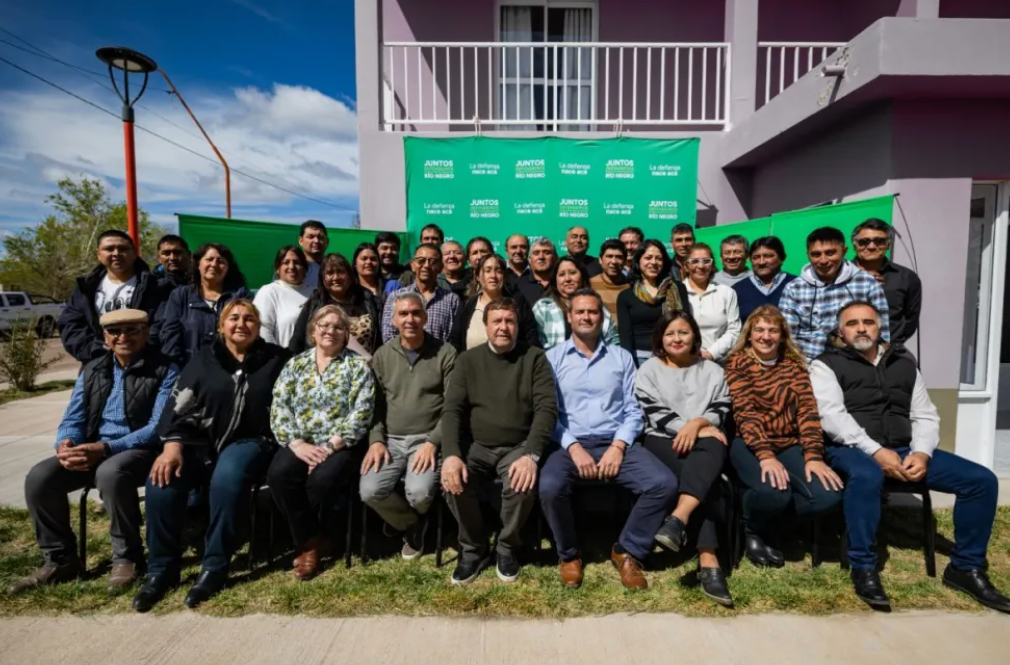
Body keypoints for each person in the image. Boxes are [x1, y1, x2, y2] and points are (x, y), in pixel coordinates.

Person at [811, 301, 1010, 613]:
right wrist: (875, 452)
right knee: (867, 475)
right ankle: (863, 566)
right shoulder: (826, 364)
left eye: (868, 322)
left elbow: (925, 415)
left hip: (905, 448)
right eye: (852, 323)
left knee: (981, 480)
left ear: (879, 328)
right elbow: (833, 418)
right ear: (840, 330)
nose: (861, 328)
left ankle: (965, 568)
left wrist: (922, 452)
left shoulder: (903, 362)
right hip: (850, 449)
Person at [133, 300, 290, 612]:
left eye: (249, 319)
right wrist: (173, 446)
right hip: (197, 442)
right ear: (221, 326)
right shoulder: (204, 360)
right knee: (162, 482)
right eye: (234, 318)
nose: (241, 324)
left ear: (259, 327)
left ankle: (214, 566)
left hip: (253, 440)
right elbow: (178, 406)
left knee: (227, 478)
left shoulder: (277, 360)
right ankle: (161, 570)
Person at [9, 310, 178, 595]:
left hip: (140, 450)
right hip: (93, 449)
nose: (123, 337)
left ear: (145, 332)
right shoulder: (92, 369)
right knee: (40, 477)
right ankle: (60, 559)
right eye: (115, 332)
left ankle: (127, 558)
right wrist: (66, 445)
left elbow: (156, 428)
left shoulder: (166, 369)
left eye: (132, 330)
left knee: (111, 472)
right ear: (105, 337)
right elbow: (72, 418)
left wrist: (107, 448)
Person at [540, 289, 677, 591]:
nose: (586, 317)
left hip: (614, 441)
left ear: (602, 318)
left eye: (592, 312)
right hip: (570, 444)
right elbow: (548, 414)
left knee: (662, 483)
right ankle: (569, 555)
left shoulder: (621, 358)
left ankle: (627, 550)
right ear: (569, 316)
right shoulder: (551, 359)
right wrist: (573, 447)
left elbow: (634, 410)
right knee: (549, 487)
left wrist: (618, 446)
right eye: (580, 312)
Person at [441, 298, 557, 585]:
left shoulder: (534, 358)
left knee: (521, 484)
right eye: (497, 321)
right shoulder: (467, 360)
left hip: (518, 445)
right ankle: (473, 548)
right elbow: (452, 410)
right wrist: (452, 455)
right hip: (477, 446)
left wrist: (531, 454)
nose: (503, 327)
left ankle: (507, 547)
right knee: (453, 482)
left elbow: (546, 409)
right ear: (486, 326)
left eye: (510, 321)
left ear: (517, 325)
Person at [725, 306, 843, 569]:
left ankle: (772, 524)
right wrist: (766, 457)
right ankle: (752, 527)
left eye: (772, 330)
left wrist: (813, 457)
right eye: (759, 330)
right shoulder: (738, 364)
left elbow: (808, 413)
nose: (766, 336)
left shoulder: (794, 366)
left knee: (827, 495)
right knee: (774, 492)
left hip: (789, 443)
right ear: (749, 334)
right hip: (749, 443)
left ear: (782, 335)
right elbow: (745, 414)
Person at [635, 310, 734, 606]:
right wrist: (694, 427)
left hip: (703, 441)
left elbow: (721, 406)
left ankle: (678, 520)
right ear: (660, 340)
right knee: (708, 474)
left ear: (694, 336)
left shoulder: (713, 370)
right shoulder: (649, 370)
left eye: (683, 332)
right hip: (662, 440)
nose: (677, 338)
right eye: (670, 334)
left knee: (711, 451)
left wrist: (698, 425)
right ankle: (709, 560)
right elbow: (654, 413)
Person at [268, 305, 375, 580]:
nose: (331, 331)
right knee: (280, 475)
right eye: (324, 326)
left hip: (341, 445)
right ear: (313, 331)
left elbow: (361, 414)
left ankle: (309, 545)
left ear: (346, 334)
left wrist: (329, 448)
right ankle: (313, 541)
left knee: (320, 480)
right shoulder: (296, 365)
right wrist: (296, 444)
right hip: (300, 442)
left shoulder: (357, 367)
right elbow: (280, 406)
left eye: (338, 327)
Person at [361, 292, 456, 559]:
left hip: (426, 439)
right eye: (403, 314)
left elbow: (452, 407)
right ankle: (412, 524)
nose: (410, 319)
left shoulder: (445, 353)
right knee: (370, 492)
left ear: (425, 317)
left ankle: (409, 519)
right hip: (391, 439)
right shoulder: (382, 355)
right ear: (393, 320)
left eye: (416, 313)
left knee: (420, 492)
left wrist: (433, 442)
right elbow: (375, 405)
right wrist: (376, 439)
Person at [779, 227, 890, 362]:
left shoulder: (867, 283)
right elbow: (788, 337)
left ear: (844, 251)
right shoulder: (794, 288)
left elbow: (881, 332)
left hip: (858, 364)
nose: (823, 260)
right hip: (809, 366)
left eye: (830, 253)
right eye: (816, 254)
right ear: (807, 254)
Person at [59, 229, 167, 363]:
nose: (116, 253)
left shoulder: (156, 287)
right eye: (109, 249)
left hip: (147, 364)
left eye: (123, 249)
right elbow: (71, 326)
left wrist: (134, 350)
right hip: (98, 363)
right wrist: (97, 350)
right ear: (98, 254)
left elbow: (163, 325)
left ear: (134, 254)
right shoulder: (85, 289)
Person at [157, 243, 251, 367]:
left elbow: (249, 334)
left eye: (221, 261)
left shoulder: (240, 295)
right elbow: (170, 336)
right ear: (198, 264)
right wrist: (176, 372)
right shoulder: (180, 295)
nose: (214, 264)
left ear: (228, 268)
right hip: (189, 370)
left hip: (230, 371)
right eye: (209, 259)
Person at [290, 253, 382, 358]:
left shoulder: (368, 300)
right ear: (323, 277)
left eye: (340, 272)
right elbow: (297, 342)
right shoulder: (314, 303)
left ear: (349, 274)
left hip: (364, 368)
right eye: (330, 273)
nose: (336, 277)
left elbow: (381, 340)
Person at [617, 240, 690, 366]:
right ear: (638, 261)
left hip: (673, 356)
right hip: (639, 359)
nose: (653, 262)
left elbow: (686, 323)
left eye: (658, 258)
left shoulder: (678, 288)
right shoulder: (626, 296)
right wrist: (629, 366)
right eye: (648, 258)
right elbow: (625, 335)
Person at [852, 218, 922, 345]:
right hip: (844, 354)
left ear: (888, 244)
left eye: (879, 241)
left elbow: (911, 320)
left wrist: (892, 343)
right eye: (864, 242)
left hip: (889, 351)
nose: (871, 246)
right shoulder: (837, 275)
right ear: (854, 245)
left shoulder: (906, 277)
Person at [381, 244, 461, 348]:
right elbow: (389, 336)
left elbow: (454, 341)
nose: (426, 265)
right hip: (402, 361)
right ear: (413, 265)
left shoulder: (452, 300)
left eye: (432, 261)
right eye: (421, 260)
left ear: (440, 267)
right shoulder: (396, 297)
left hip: (439, 361)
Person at [533, 256, 618, 350]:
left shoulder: (598, 307)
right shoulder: (543, 309)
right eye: (561, 274)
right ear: (555, 280)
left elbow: (613, 343)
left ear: (582, 276)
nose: (567, 279)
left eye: (572, 273)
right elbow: (537, 347)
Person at [458, 254, 539, 349]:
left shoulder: (517, 302)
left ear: (504, 276)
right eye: (487, 271)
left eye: (498, 271)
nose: (493, 276)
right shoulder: (468, 305)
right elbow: (457, 340)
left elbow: (531, 337)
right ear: (477, 276)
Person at [682, 243, 740, 363]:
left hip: (719, 361)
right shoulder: (677, 292)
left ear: (713, 265)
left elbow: (734, 330)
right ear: (686, 266)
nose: (701, 266)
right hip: (684, 359)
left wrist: (710, 354)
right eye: (695, 261)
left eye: (706, 261)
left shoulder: (727, 293)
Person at [253, 246, 313, 348]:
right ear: (277, 269)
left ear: (304, 268)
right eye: (286, 262)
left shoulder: (315, 292)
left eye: (297, 262)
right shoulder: (269, 291)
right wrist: (276, 359)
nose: (292, 267)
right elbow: (263, 330)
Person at [733, 236, 797, 323]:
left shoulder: (797, 285)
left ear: (782, 258)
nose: (761, 262)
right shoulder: (737, 290)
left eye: (768, 256)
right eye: (756, 257)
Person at [392, 224, 450, 291]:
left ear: (442, 242)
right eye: (426, 238)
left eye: (434, 239)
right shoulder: (408, 267)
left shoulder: (449, 265)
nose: (430, 242)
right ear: (420, 242)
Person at [589, 238, 630, 322]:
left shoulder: (632, 286)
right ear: (600, 260)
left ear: (625, 261)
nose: (614, 261)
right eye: (609, 256)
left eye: (619, 257)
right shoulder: (589, 285)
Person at [514, 238, 556, 306]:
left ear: (554, 258)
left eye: (547, 253)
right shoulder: (519, 285)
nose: (541, 257)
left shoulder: (561, 282)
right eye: (536, 253)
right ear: (529, 259)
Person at [298, 220, 330, 288]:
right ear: (300, 241)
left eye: (320, 237)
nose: (316, 241)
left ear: (327, 241)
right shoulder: (292, 267)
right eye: (310, 237)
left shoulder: (334, 266)